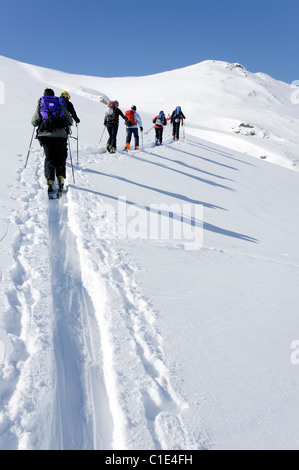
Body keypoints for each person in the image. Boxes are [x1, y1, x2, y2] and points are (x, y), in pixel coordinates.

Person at [31, 88, 73, 195]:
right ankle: (60, 176)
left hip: (45, 135)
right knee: (60, 156)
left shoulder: (42, 103)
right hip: (60, 135)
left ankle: (50, 179)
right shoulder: (59, 102)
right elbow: (70, 120)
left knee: (49, 156)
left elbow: (34, 122)